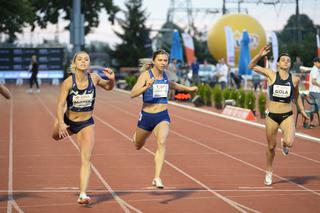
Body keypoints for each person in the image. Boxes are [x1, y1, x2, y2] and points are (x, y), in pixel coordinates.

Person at [52, 51, 115, 204]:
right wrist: (61, 123)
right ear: (74, 63)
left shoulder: (94, 78)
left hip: (86, 124)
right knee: (54, 136)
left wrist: (112, 79)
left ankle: (83, 194)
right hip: (68, 121)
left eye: (86, 59)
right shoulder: (68, 82)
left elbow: (108, 87)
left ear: (89, 63)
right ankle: (61, 126)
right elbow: (60, 105)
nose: (83, 61)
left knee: (86, 159)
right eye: (80, 59)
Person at [130, 49, 198, 188]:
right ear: (154, 61)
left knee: (162, 143)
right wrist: (146, 86)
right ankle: (137, 136)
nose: (163, 63)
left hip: (162, 115)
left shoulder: (166, 75)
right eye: (160, 60)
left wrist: (188, 88)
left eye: (165, 60)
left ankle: (157, 177)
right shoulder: (145, 75)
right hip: (147, 116)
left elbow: (172, 85)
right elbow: (132, 93)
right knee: (138, 145)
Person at [248, 45, 309, 186]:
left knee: (289, 142)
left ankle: (285, 143)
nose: (286, 62)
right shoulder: (271, 74)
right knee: (271, 147)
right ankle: (269, 171)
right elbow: (251, 66)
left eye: (288, 60)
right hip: (272, 116)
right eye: (283, 60)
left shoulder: (294, 79)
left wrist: (302, 110)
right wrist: (260, 55)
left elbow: (297, 95)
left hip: (287, 115)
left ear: (290, 63)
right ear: (278, 63)